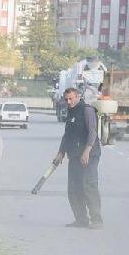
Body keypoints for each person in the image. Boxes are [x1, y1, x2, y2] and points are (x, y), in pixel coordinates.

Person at [55, 87, 103, 229]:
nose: (68, 102)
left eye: (71, 98)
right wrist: (61, 152)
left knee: (89, 185)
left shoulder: (87, 110)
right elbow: (67, 134)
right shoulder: (71, 112)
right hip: (74, 155)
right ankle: (81, 220)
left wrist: (87, 150)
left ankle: (97, 220)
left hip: (90, 154)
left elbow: (92, 132)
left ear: (78, 97)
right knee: (74, 189)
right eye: (66, 99)